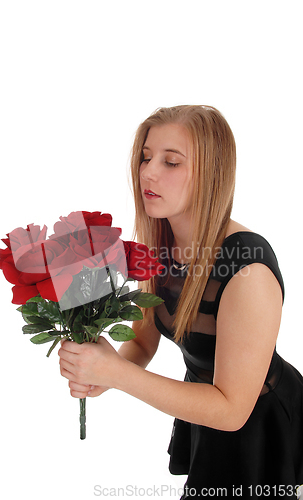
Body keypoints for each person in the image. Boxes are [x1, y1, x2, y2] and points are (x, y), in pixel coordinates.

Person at [58, 105, 303, 499]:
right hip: (205, 414)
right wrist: (103, 373)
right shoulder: (161, 250)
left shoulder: (247, 269)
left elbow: (231, 409)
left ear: (212, 174)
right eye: (146, 157)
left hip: (263, 428)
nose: (149, 172)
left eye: (171, 162)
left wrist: (118, 375)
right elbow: (141, 342)